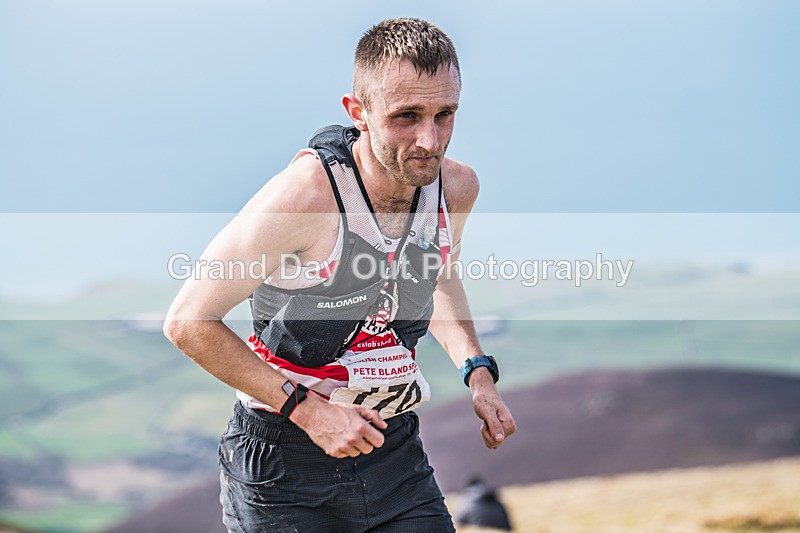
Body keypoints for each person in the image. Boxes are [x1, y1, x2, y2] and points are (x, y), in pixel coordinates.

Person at [164, 17, 516, 533]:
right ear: (359, 113)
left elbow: (435, 277)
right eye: (406, 116)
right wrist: (308, 412)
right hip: (282, 466)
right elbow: (188, 322)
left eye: (445, 114)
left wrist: (477, 372)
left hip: (393, 455)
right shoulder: (305, 198)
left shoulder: (456, 187)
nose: (429, 140)